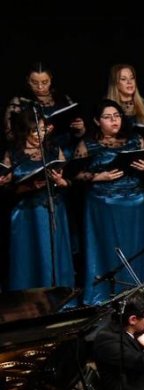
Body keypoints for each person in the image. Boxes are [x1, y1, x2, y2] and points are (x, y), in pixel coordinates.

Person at [72, 99, 144, 305]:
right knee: (109, 248)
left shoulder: (135, 140)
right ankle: (107, 293)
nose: (114, 121)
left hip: (135, 202)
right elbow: (74, 175)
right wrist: (98, 177)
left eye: (116, 116)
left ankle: (139, 292)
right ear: (97, 121)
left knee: (134, 249)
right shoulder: (88, 144)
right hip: (103, 204)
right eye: (108, 117)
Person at [3, 109, 74, 291]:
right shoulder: (14, 153)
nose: (39, 135)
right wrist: (25, 187)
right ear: (24, 130)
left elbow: (70, 181)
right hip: (26, 212)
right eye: (35, 130)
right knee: (28, 256)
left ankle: (58, 296)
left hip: (52, 208)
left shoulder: (53, 150)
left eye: (42, 130)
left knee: (52, 254)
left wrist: (60, 181)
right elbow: (7, 187)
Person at [4, 62, 84, 153]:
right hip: (37, 153)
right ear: (27, 80)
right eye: (34, 82)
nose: (40, 87)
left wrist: (80, 129)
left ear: (51, 79)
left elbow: (77, 133)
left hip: (67, 149)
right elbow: (9, 135)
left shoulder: (62, 97)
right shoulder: (19, 102)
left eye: (45, 82)